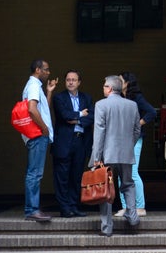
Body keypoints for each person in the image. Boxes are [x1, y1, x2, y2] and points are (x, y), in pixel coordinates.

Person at [90, 75, 141, 238]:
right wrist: (128, 146)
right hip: (126, 153)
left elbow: (99, 133)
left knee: (105, 189)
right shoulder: (132, 105)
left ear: (110, 88)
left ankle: (107, 227)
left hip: (107, 154)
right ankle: (133, 218)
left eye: (105, 86)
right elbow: (137, 131)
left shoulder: (101, 105)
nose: (103, 88)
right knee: (128, 184)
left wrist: (96, 157)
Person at [51, 69, 94, 218]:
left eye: (73, 80)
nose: (70, 82)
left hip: (80, 141)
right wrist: (82, 114)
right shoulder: (59, 98)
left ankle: (74, 206)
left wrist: (76, 120)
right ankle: (64, 208)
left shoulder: (86, 98)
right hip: (63, 143)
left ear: (79, 82)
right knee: (62, 177)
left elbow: (93, 117)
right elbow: (64, 115)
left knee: (76, 176)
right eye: (68, 80)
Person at [114, 71, 156, 218]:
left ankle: (140, 207)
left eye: (120, 81)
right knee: (121, 174)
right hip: (120, 139)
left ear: (127, 83)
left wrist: (137, 124)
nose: (117, 83)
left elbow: (151, 112)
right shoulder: (118, 97)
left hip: (134, 138)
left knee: (132, 172)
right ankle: (126, 207)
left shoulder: (136, 97)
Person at [22, 58, 57, 222]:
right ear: (38, 70)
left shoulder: (37, 87)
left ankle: (33, 208)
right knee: (34, 174)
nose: (48, 73)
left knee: (35, 173)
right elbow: (32, 109)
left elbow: (43, 110)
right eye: (46, 69)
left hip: (37, 135)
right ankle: (32, 210)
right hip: (37, 135)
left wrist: (49, 91)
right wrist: (44, 128)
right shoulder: (34, 85)